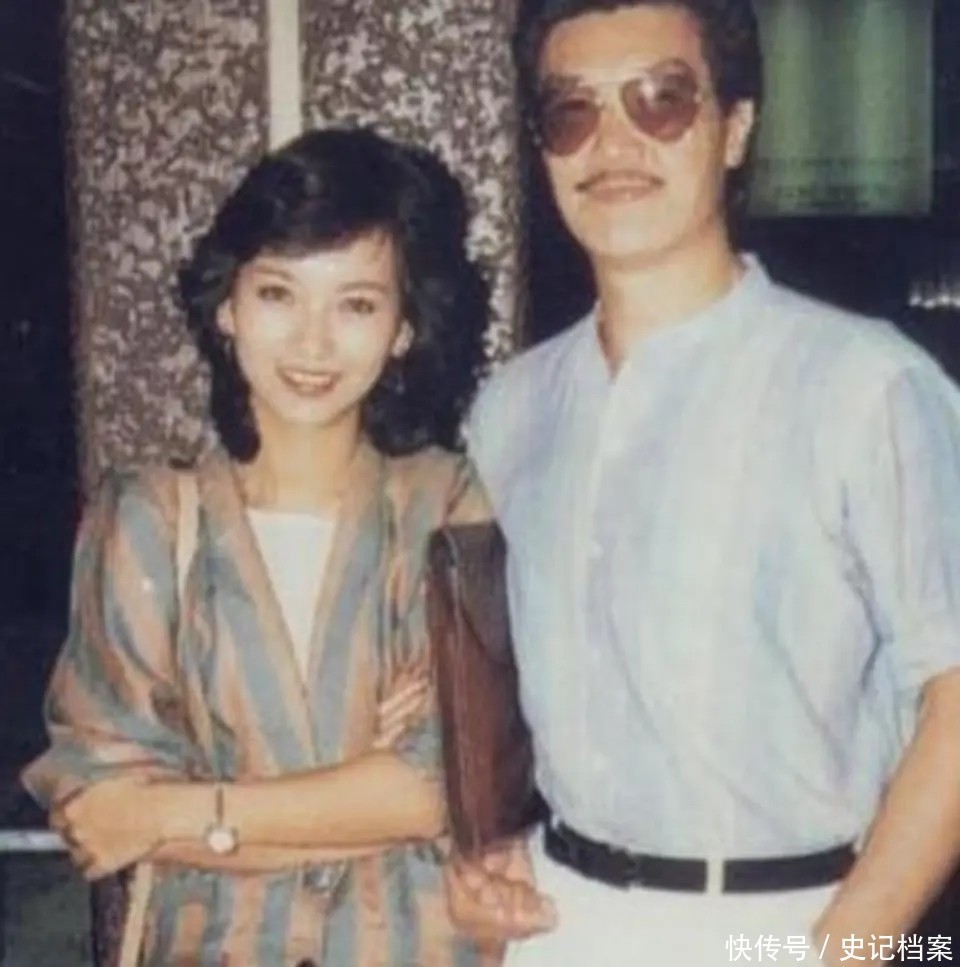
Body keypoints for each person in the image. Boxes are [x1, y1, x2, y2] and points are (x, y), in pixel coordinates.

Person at [446, 1, 960, 964]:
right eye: (573, 110)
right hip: (563, 919)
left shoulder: (867, 386)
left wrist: (842, 948)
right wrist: (491, 855)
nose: (613, 144)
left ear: (735, 128)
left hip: (788, 921)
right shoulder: (513, 409)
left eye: (661, 99)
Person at [23, 126, 500, 965]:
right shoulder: (147, 519)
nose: (313, 343)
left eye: (357, 304)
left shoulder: (451, 503)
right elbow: (101, 813)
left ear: (402, 328)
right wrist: (367, 795)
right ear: (227, 306)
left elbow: (441, 790)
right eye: (279, 293)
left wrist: (175, 812)